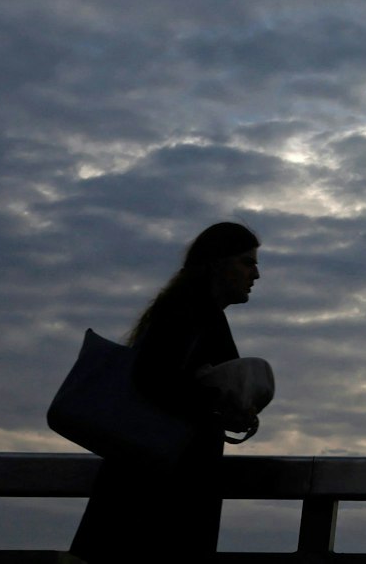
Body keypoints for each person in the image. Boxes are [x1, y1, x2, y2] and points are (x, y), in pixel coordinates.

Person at [71, 222, 265, 562]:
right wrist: (219, 405)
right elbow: (157, 382)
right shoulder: (191, 313)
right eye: (247, 262)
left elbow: (166, 382)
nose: (256, 274)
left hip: (150, 483)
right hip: (162, 491)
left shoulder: (186, 310)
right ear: (219, 263)